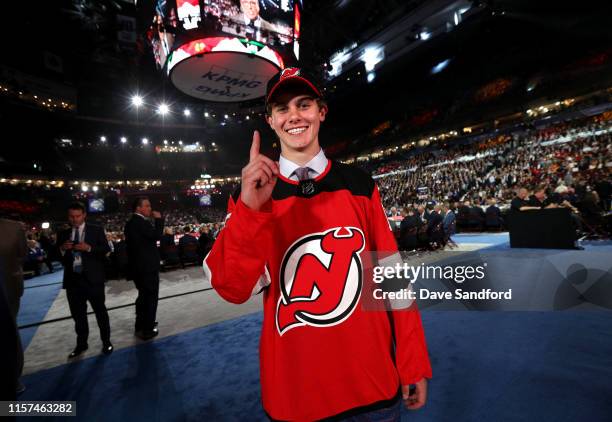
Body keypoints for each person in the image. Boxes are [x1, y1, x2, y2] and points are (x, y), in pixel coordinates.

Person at [204, 68, 431, 421]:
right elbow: (232, 287)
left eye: (304, 104)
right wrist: (250, 209)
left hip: (371, 384)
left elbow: (394, 278)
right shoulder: (251, 193)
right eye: (282, 108)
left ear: (321, 111)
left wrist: (412, 360)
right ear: (270, 120)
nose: (294, 115)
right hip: (298, 393)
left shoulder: (359, 184)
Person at [58, 202, 113, 358]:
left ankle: (106, 341)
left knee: (100, 312)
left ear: (84, 215)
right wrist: (62, 249)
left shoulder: (96, 230)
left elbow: (106, 249)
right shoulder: (63, 234)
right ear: (68, 217)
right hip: (73, 281)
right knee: (78, 316)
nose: (74, 219)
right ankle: (81, 344)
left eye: (77, 216)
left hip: (93, 279)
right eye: (71, 217)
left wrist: (88, 248)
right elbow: (54, 256)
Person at [124, 197, 164, 340]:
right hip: (147, 268)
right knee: (150, 298)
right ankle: (147, 329)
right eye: (147, 206)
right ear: (138, 208)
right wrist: (159, 220)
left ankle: (141, 324)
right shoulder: (140, 222)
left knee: (142, 297)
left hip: (138, 268)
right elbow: (157, 235)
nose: (150, 209)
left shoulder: (130, 223)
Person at [0, 218, 27, 394]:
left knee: (8, 333)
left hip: (6, 290)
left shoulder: (13, 228)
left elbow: (21, 255)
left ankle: (12, 378)